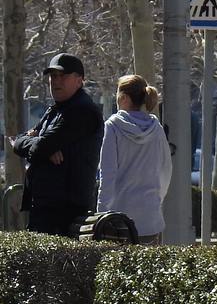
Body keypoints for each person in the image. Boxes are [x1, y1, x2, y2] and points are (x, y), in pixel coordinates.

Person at [8, 53, 103, 237]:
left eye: (63, 76)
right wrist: (38, 145)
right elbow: (20, 140)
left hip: (65, 211)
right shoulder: (56, 109)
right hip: (46, 206)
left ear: (79, 80)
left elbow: (39, 147)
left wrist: (40, 146)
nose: (56, 81)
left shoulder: (81, 110)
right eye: (53, 76)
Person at [96, 75, 172, 244]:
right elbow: (165, 170)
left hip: (119, 222)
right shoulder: (156, 129)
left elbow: (107, 174)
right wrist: (156, 200)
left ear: (123, 98)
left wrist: (100, 215)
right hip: (150, 219)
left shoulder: (113, 126)